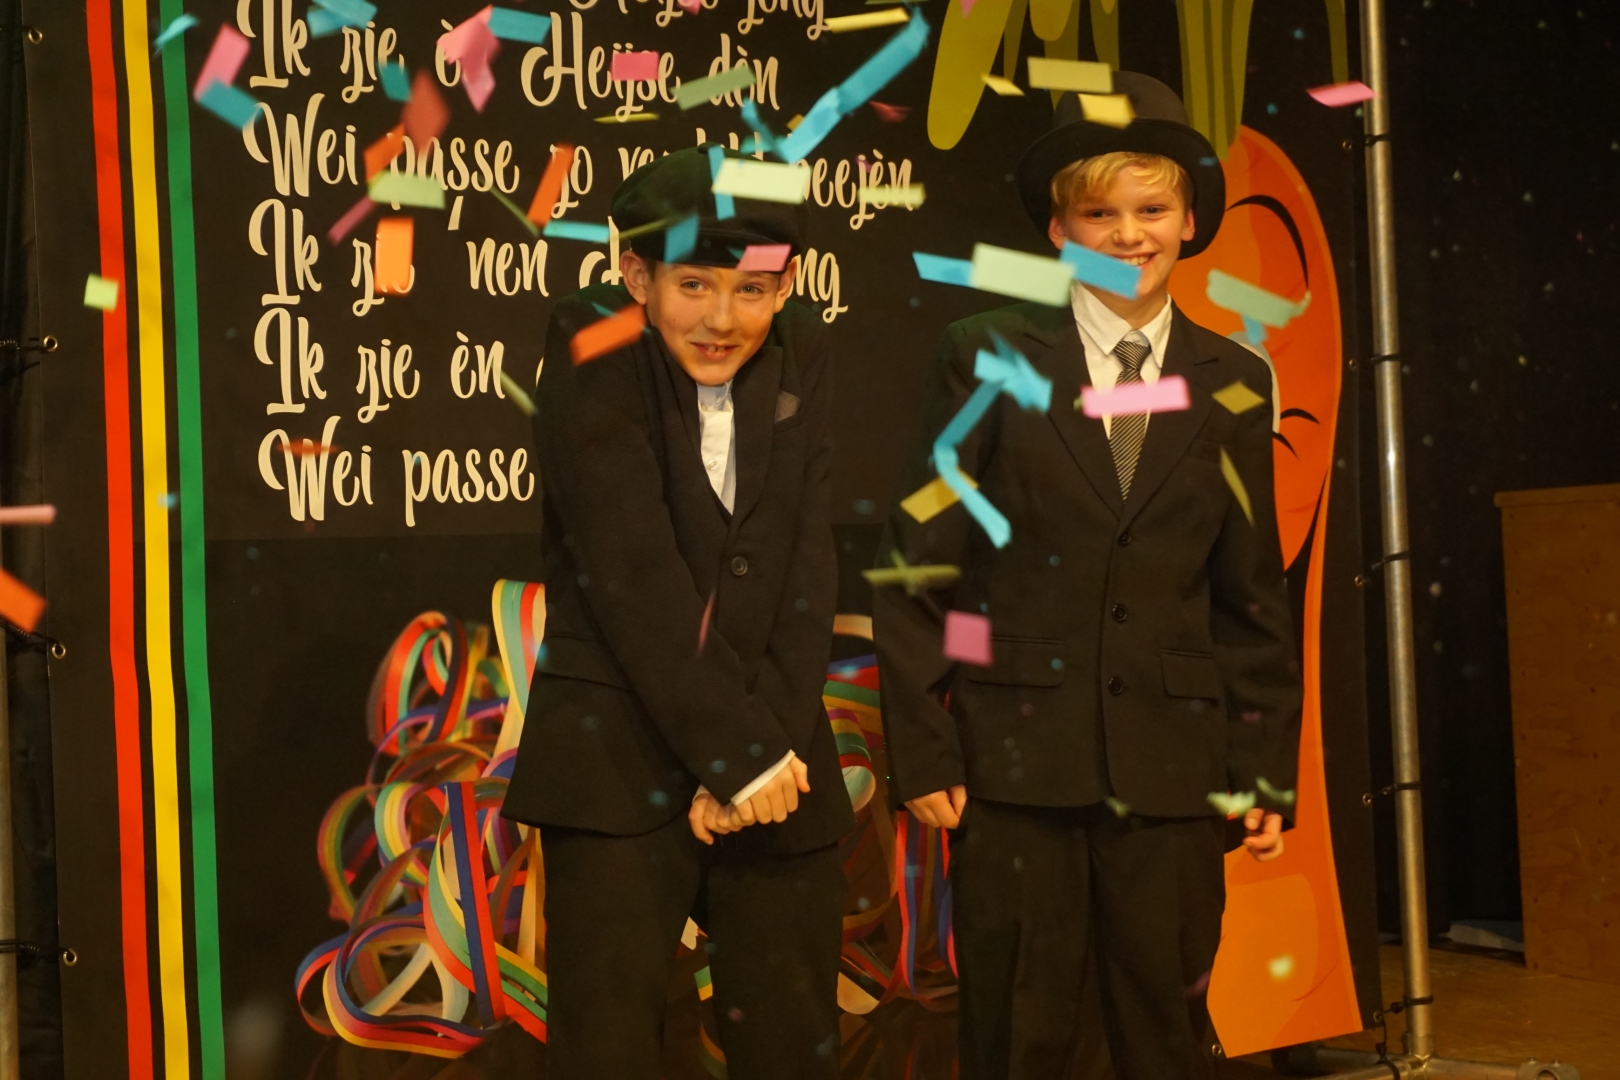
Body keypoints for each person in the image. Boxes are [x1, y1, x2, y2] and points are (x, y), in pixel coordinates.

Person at [873, 73, 1303, 1080]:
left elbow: (1249, 593)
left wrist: (1263, 764)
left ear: (1189, 221)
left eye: (1151, 210)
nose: (1128, 234)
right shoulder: (983, 355)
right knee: (1021, 1031)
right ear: (1058, 229)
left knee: (1164, 1036)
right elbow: (920, 563)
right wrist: (926, 749)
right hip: (1019, 766)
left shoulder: (1236, 381)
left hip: (1175, 771)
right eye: (1100, 214)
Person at [502, 145, 855, 1080]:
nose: (722, 318)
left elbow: (805, 561)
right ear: (636, 276)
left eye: (752, 290)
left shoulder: (803, 350)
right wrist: (737, 756)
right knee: (609, 1046)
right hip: (618, 755)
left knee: (792, 1040)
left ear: (786, 286)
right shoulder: (591, 337)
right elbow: (631, 570)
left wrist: (766, 752)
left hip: (777, 756)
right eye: (694, 284)